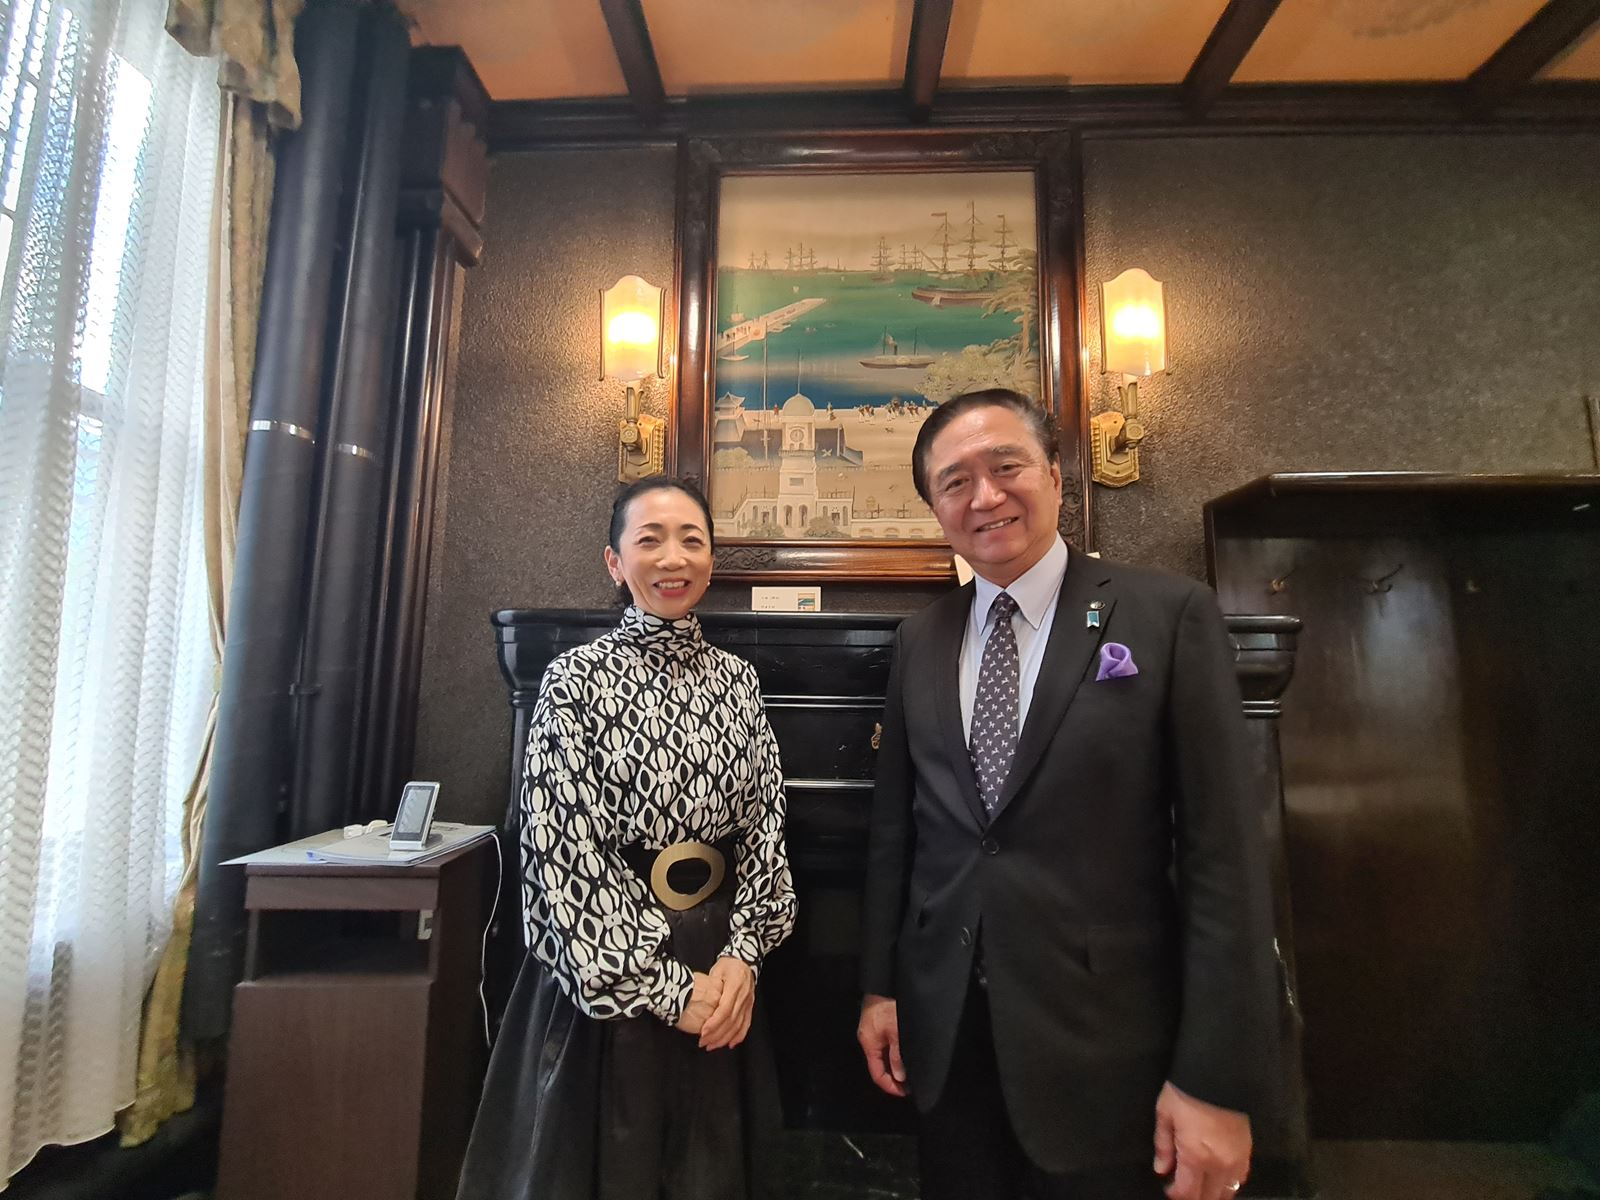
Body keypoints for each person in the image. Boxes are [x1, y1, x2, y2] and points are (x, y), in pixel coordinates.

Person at [856, 389, 1277, 1200]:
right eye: (954, 483)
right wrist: (880, 987)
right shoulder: (921, 638)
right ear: (935, 509)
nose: (984, 496)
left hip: (1109, 1050)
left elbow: (1225, 861)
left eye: (1005, 467)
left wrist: (1215, 1081)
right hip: (947, 1038)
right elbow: (895, 835)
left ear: (1055, 474)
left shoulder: (1166, 616)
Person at [458, 476, 797, 1200]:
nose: (673, 558)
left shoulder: (738, 682)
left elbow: (766, 824)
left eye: (692, 540)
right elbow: (561, 851)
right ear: (615, 563)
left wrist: (744, 956)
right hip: (608, 973)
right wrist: (665, 988)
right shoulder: (574, 681)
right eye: (650, 540)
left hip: (719, 968)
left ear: (711, 559)